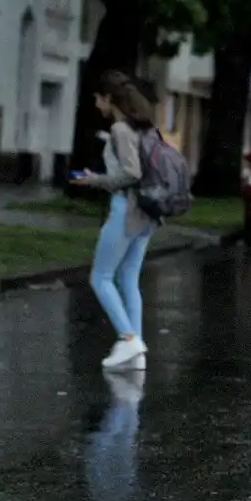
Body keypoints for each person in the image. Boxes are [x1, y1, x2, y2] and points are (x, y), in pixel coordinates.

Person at [71, 70, 157, 370]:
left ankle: (129, 338)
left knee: (101, 277)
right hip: (147, 212)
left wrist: (96, 180)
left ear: (109, 98)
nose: (96, 104)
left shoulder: (121, 129)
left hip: (126, 209)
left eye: (98, 98)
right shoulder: (142, 128)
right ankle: (137, 355)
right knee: (128, 278)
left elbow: (131, 173)